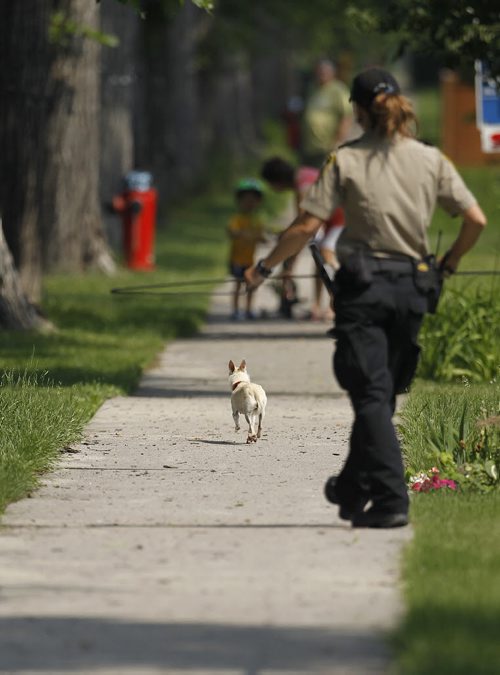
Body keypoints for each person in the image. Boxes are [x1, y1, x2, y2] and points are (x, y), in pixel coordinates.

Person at [245, 67, 487, 528]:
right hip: (414, 290)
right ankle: (353, 487)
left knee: (372, 394)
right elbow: (475, 219)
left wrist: (263, 269)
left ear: (356, 111)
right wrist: (448, 265)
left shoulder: (345, 159)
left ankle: (393, 499)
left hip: (365, 291)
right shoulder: (430, 159)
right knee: (380, 393)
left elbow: (304, 228)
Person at [261, 156, 344, 320]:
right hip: (332, 219)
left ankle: (337, 304)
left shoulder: (302, 185)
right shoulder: (304, 174)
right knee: (320, 263)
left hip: (338, 219)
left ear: (276, 181)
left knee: (325, 257)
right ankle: (318, 305)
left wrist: (289, 263)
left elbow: (303, 229)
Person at [301, 58, 352, 167]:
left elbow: (346, 116)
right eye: (319, 71)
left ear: (332, 73)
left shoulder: (338, 90)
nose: (321, 74)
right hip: (310, 148)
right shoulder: (313, 89)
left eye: (325, 71)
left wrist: (338, 142)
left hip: (327, 148)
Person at [227, 178, 266, 320]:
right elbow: (231, 231)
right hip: (237, 259)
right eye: (246, 199)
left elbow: (262, 237)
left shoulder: (257, 220)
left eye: (253, 200)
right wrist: (243, 233)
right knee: (238, 285)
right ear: (240, 200)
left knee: (251, 285)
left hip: (250, 260)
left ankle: (249, 309)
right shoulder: (236, 219)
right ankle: (236, 310)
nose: (250, 203)